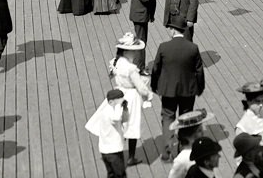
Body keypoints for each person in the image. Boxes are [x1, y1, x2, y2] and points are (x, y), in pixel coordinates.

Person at [150, 17, 205, 163]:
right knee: (185, 118)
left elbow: (156, 69)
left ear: (173, 30)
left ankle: (167, 153)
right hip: (188, 90)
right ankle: (183, 149)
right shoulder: (192, 48)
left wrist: (154, 86)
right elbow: (199, 70)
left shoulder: (163, 47)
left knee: (168, 118)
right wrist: (200, 87)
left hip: (168, 90)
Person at [107, 34, 152, 166]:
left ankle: (116, 153)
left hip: (119, 94)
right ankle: (131, 157)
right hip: (131, 97)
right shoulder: (130, 68)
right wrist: (148, 95)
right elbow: (140, 87)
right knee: (132, 125)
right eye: (133, 51)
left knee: (118, 125)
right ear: (127, 51)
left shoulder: (116, 62)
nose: (135, 53)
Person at [85, 87, 129, 178]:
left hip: (105, 149)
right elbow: (116, 118)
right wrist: (119, 106)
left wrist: (124, 108)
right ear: (111, 102)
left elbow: (124, 119)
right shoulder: (109, 113)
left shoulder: (108, 111)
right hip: (113, 151)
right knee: (120, 175)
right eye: (118, 102)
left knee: (111, 174)